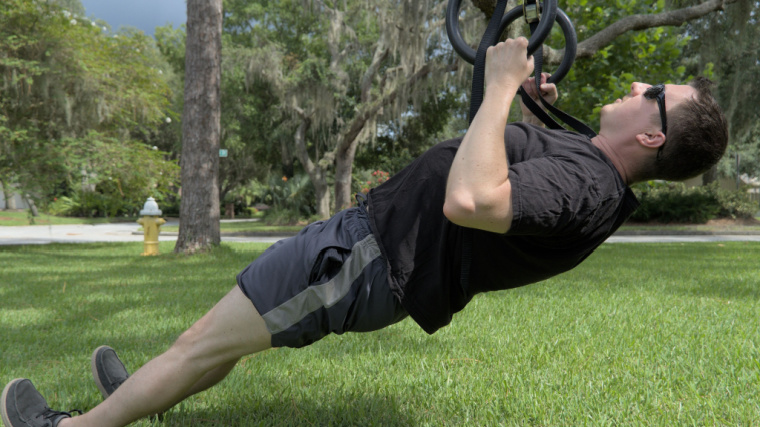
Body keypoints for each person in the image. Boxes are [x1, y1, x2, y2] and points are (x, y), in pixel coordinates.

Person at [1, 37, 728, 427]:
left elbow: (473, 198)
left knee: (206, 340)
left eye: (654, 95)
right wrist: (522, 106)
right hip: (367, 244)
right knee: (222, 333)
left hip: (364, 259)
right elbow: (503, 159)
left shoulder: (589, 184)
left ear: (656, 135)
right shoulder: (595, 173)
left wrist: (505, 87)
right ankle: (142, 397)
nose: (638, 88)